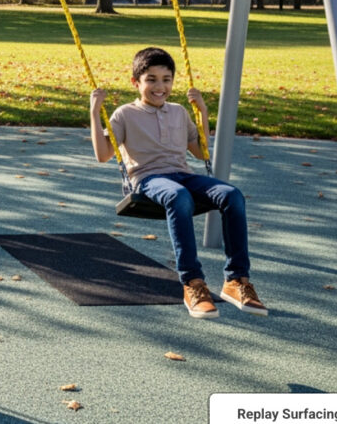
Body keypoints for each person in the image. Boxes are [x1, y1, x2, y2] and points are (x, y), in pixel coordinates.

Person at [89, 46, 268, 319]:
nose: (159, 86)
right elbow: (103, 155)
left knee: (232, 195)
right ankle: (192, 283)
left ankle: (236, 280)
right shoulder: (125, 114)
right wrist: (95, 111)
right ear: (136, 82)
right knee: (179, 196)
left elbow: (200, 151)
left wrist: (203, 112)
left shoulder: (179, 112)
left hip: (183, 175)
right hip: (148, 179)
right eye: (151, 79)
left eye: (166, 79)